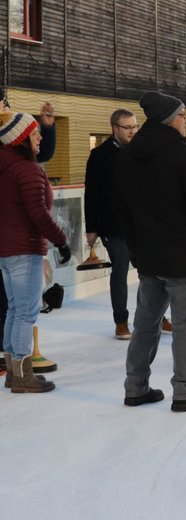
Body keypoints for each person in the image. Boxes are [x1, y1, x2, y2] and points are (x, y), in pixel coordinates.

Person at [115, 91, 186, 411]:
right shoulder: (182, 153)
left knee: (146, 324)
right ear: (171, 119)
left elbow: (122, 209)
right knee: (185, 324)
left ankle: (135, 387)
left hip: (149, 256)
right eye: (184, 114)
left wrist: (135, 250)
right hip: (184, 257)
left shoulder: (128, 155)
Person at [84, 109, 173, 339]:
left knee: (152, 272)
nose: (133, 131)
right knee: (121, 270)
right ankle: (121, 321)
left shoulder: (142, 151)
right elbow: (91, 193)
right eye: (128, 127)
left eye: (135, 126)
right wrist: (91, 227)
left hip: (143, 223)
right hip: (114, 225)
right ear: (115, 128)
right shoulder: (99, 155)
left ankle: (158, 317)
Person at [0, 110, 71, 393]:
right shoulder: (25, 169)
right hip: (23, 247)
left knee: (15, 310)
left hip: (6, 250)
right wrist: (61, 241)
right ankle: (22, 375)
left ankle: (13, 371)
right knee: (26, 313)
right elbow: (37, 213)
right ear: (21, 138)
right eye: (35, 132)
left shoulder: (6, 165)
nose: (40, 137)